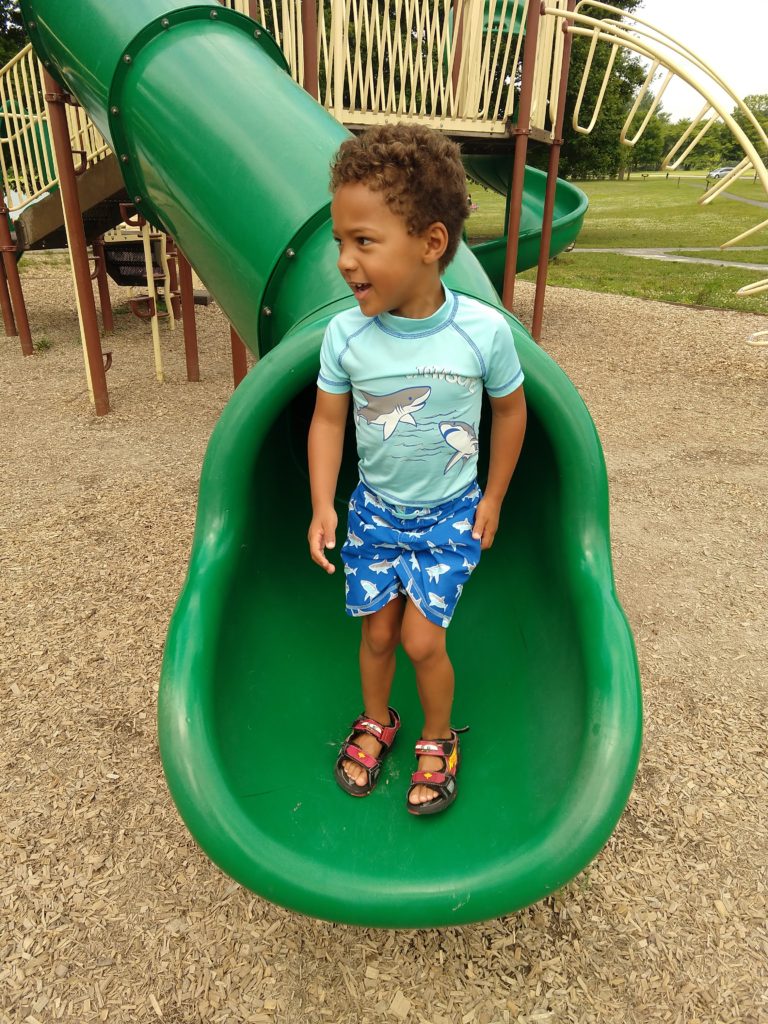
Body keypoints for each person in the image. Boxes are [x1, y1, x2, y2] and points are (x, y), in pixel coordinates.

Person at [307, 124, 527, 815]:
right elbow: (328, 421)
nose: (345, 260)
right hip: (376, 510)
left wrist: (492, 497)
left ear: (431, 243)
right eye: (340, 241)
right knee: (376, 632)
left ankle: (438, 736)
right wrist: (323, 505)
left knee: (420, 640)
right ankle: (378, 721)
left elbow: (512, 414)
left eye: (364, 241)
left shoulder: (481, 332)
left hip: (447, 515)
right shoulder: (346, 334)